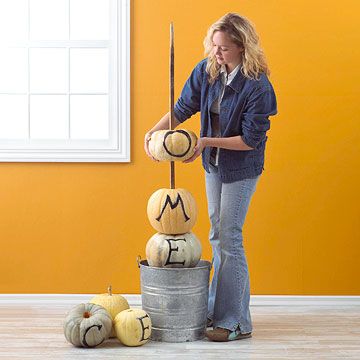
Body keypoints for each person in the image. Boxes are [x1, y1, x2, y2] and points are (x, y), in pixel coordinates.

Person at [144, 13, 277, 342]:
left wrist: (204, 142)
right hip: (214, 165)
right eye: (214, 46)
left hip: (241, 167)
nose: (217, 54)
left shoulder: (257, 86)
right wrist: (154, 132)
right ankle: (218, 310)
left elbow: (250, 140)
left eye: (225, 49)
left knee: (230, 238)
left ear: (243, 47)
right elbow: (182, 106)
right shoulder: (207, 71)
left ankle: (235, 322)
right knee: (218, 235)